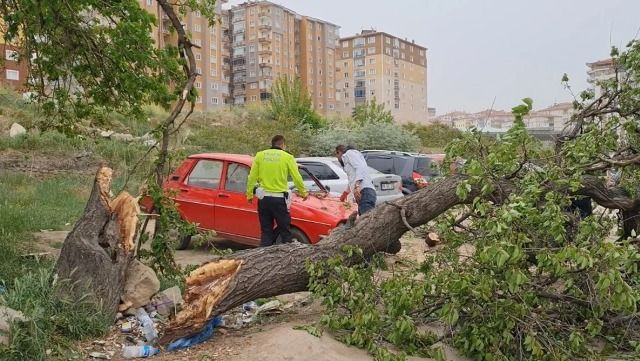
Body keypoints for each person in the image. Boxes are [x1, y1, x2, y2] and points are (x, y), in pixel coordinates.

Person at [246, 135, 308, 247]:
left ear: (272, 144)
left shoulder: (260, 155)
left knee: (266, 232)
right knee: (285, 232)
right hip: (279, 200)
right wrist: (303, 192)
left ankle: (264, 258)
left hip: (264, 199)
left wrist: (249, 194)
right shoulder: (287, 157)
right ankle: (287, 257)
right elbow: (297, 177)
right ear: (283, 145)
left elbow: (251, 177)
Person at [335, 144, 377, 215]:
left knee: (366, 222)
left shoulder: (350, 153)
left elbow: (359, 167)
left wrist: (357, 186)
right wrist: (345, 194)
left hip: (364, 192)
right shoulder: (349, 159)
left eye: (336, 154)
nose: (337, 157)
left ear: (339, 152)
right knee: (363, 221)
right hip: (364, 193)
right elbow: (352, 179)